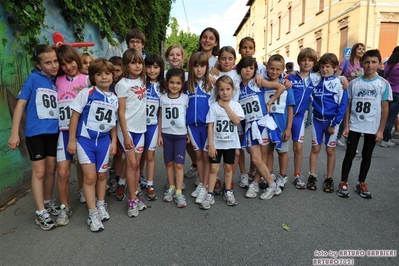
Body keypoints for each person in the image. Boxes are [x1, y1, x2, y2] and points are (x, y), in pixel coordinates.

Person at [8, 44, 60, 231]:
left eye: (55, 61)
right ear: (38, 65)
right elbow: (20, 106)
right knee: (39, 172)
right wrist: (15, 133)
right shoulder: (32, 79)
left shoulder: (56, 80)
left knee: (51, 169)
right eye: (48, 62)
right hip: (35, 133)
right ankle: (40, 213)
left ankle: (47, 201)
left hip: (53, 132)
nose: (54, 65)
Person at [67, 58, 118, 232]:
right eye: (99, 74)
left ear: (112, 76)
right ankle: (92, 213)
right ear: (93, 77)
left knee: (102, 176)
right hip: (85, 141)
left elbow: (113, 122)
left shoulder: (115, 98)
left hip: (104, 142)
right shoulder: (86, 93)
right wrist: (72, 140)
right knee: (90, 178)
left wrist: (114, 141)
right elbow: (74, 117)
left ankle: (101, 204)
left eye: (107, 73)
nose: (104, 77)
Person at [338, 49, 391, 198]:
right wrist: (347, 125)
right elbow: (348, 106)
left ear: (380, 64)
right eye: (367, 62)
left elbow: (385, 109)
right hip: (355, 124)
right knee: (349, 153)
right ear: (361, 63)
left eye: (374, 62)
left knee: (367, 154)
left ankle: (361, 182)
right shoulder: (354, 83)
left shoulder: (383, 84)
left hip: (372, 126)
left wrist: (381, 130)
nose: (370, 65)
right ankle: (343, 181)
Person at [236, 57, 285, 200]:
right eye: (245, 68)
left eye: (251, 68)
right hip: (250, 126)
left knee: (260, 158)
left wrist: (269, 102)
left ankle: (259, 184)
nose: (248, 71)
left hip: (263, 123)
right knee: (256, 158)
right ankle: (270, 184)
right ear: (240, 70)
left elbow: (280, 87)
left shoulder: (257, 82)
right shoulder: (238, 87)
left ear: (254, 70)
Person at [55, 44, 89, 226]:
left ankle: (84, 189)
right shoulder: (57, 81)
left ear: (76, 58)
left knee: (84, 167)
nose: (69, 67)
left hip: (83, 133)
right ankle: (64, 207)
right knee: (62, 172)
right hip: (64, 132)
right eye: (64, 64)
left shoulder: (88, 80)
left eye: (71, 61)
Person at [200, 75, 244, 209]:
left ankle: (228, 191)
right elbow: (210, 126)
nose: (225, 93)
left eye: (227, 89)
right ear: (217, 91)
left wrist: (226, 106)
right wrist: (211, 145)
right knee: (214, 168)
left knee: (228, 167)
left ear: (232, 90)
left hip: (230, 144)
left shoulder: (235, 106)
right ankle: (210, 193)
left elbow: (237, 121)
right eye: (221, 90)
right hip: (216, 144)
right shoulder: (214, 107)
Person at [308, 53, 348, 192]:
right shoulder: (315, 80)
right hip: (317, 121)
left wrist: (334, 123)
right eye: (323, 67)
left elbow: (342, 106)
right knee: (315, 149)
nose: (325, 70)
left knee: (330, 150)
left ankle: (329, 178)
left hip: (332, 123)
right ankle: (312, 176)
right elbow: (302, 74)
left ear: (335, 67)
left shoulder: (339, 83)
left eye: (328, 67)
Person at [114, 49, 147, 217]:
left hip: (141, 129)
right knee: (132, 163)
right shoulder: (122, 84)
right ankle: (132, 199)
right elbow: (121, 112)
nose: (137, 65)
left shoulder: (143, 80)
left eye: (139, 62)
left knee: (135, 166)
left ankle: (134, 194)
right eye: (133, 62)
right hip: (127, 130)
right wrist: (126, 135)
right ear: (126, 65)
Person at [286, 48, 321, 189]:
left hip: (300, 118)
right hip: (285, 117)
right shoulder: (290, 77)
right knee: (278, 147)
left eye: (310, 60)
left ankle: (297, 175)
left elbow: (332, 76)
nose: (306, 62)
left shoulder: (317, 78)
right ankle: (273, 174)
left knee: (298, 148)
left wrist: (342, 78)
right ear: (299, 61)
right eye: (304, 59)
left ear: (314, 62)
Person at [184, 52, 214, 204]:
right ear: (190, 68)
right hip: (192, 127)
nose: (199, 69)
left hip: (207, 127)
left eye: (202, 66)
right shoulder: (186, 86)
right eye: (195, 66)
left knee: (207, 157)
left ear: (207, 67)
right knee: (199, 157)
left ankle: (206, 185)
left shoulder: (211, 85)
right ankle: (202, 183)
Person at [158, 68, 189, 208]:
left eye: (178, 83)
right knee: (169, 163)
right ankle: (171, 187)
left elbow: (186, 116)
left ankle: (179, 191)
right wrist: (159, 135)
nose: (174, 86)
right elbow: (159, 116)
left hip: (180, 135)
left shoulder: (185, 98)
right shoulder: (163, 98)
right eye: (172, 82)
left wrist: (187, 132)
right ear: (167, 83)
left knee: (179, 164)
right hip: (167, 134)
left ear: (182, 84)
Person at [264, 55, 295, 191]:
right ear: (267, 68)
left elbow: (290, 108)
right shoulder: (263, 84)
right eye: (271, 68)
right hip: (267, 126)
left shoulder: (287, 87)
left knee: (282, 152)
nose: (274, 72)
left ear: (283, 69)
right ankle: (269, 174)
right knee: (269, 151)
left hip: (281, 126)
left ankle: (282, 175)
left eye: (278, 69)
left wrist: (288, 128)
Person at [141, 54, 165, 201]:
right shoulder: (140, 83)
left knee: (149, 156)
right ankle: (136, 181)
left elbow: (161, 113)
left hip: (152, 126)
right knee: (136, 158)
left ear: (161, 69)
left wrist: (160, 134)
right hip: (137, 126)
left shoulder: (164, 86)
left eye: (155, 67)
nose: (151, 70)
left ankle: (150, 184)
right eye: (149, 66)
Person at [335, 43, 365, 147]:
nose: (361, 51)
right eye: (359, 49)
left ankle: (342, 139)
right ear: (354, 51)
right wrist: (342, 80)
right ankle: (347, 141)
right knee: (344, 117)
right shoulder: (346, 63)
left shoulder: (364, 65)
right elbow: (335, 77)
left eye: (363, 49)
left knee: (352, 118)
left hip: (358, 95)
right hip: (345, 94)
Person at [107, 56, 123, 196]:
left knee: (119, 152)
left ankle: (117, 178)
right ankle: (110, 177)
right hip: (106, 125)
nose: (115, 73)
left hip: (120, 124)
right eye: (113, 70)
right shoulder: (105, 85)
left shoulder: (123, 85)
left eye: (118, 70)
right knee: (109, 153)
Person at [380, 46, 399, 147]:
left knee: (386, 116)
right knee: (391, 117)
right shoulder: (398, 67)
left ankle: (384, 136)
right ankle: (385, 139)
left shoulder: (388, 64)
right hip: (397, 93)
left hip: (388, 91)